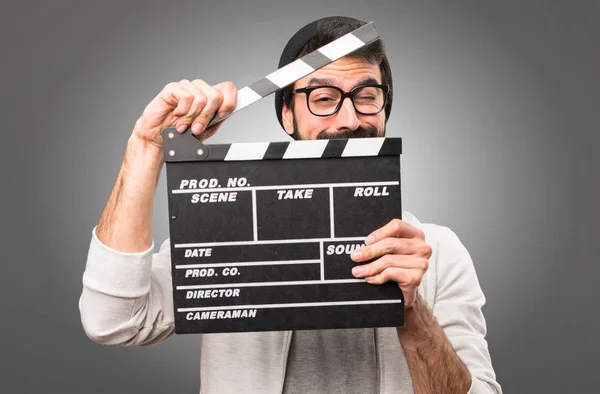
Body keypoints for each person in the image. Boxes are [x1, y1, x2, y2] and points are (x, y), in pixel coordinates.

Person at [79, 16, 502, 394]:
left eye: (367, 96)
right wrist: (147, 147)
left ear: (384, 110)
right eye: (322, 98)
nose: (350, 120)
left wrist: (414, 314)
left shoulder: (438, 253)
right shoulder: (222, 231)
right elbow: (113, 319)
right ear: (286, 114)